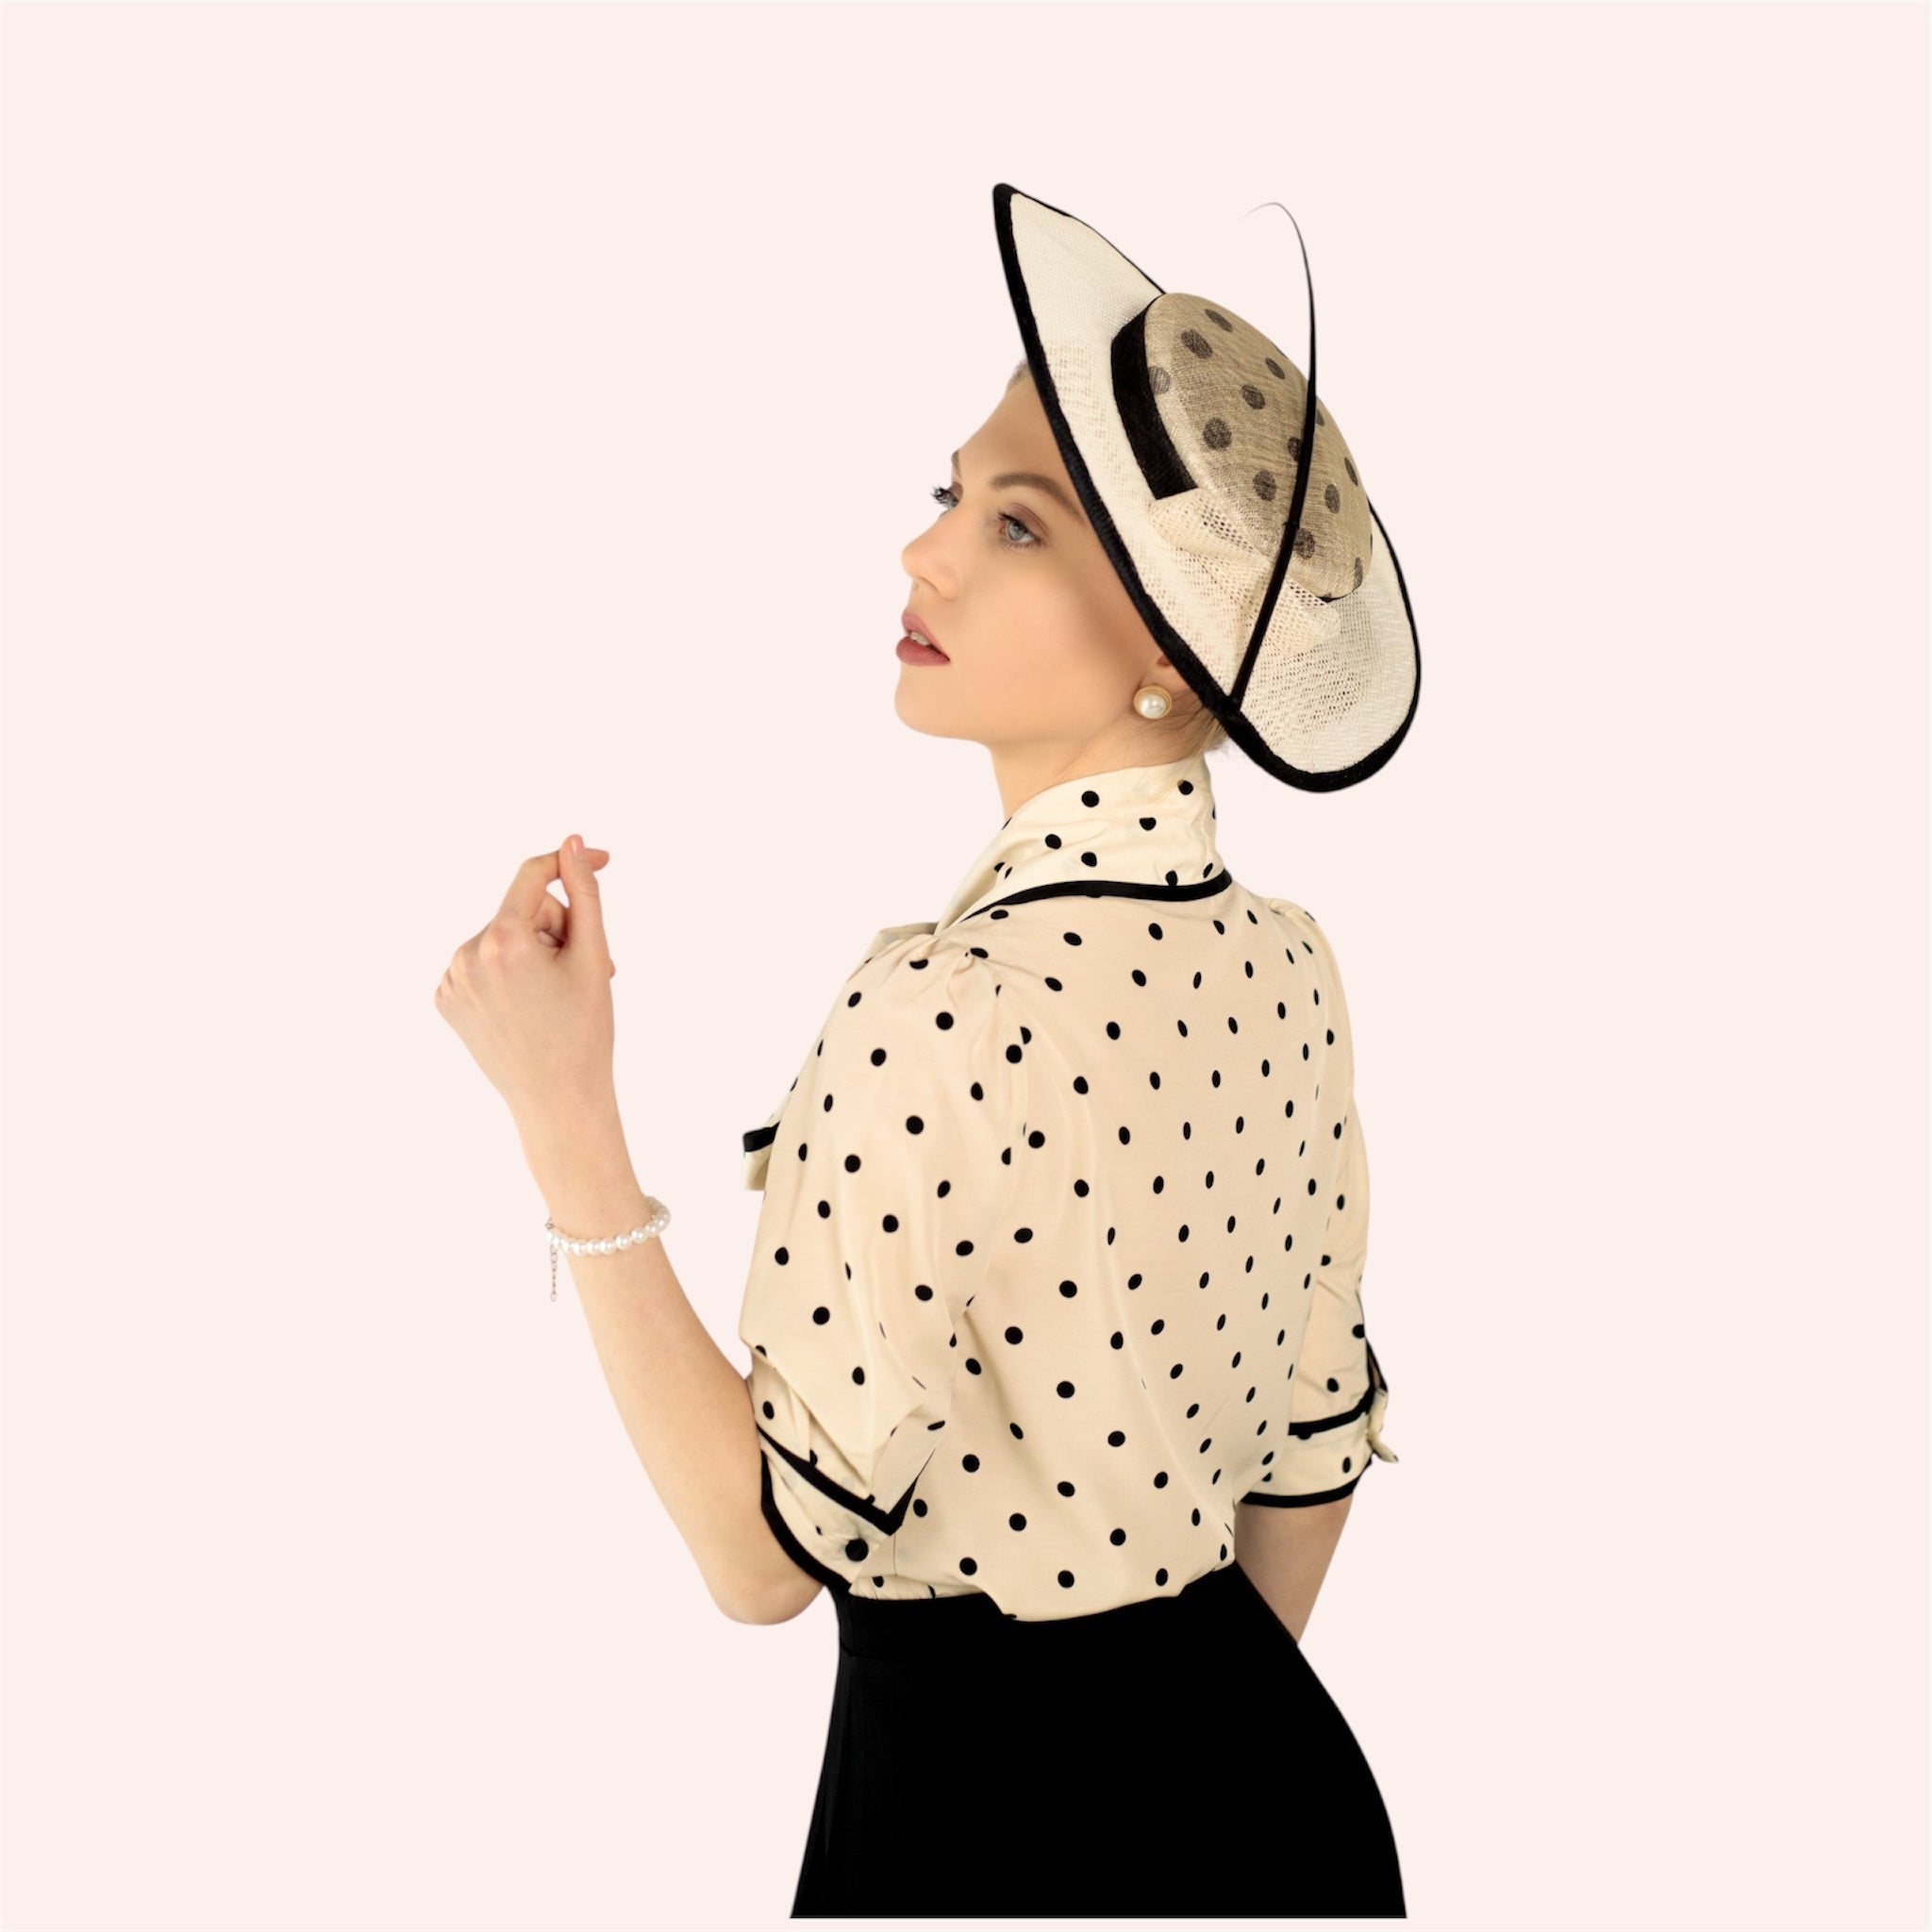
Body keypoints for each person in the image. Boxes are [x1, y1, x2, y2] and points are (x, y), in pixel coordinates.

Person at [737, 178, 1416, 1909]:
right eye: (951, 496)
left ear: (1178, 678)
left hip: (962, 1834)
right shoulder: (1291, 968)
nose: (926, 553)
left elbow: (762, 1564)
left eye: (1019, 528)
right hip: (1279, 1808)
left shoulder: (929, 1016)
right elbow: (1310, 1459)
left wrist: (560, 1115)